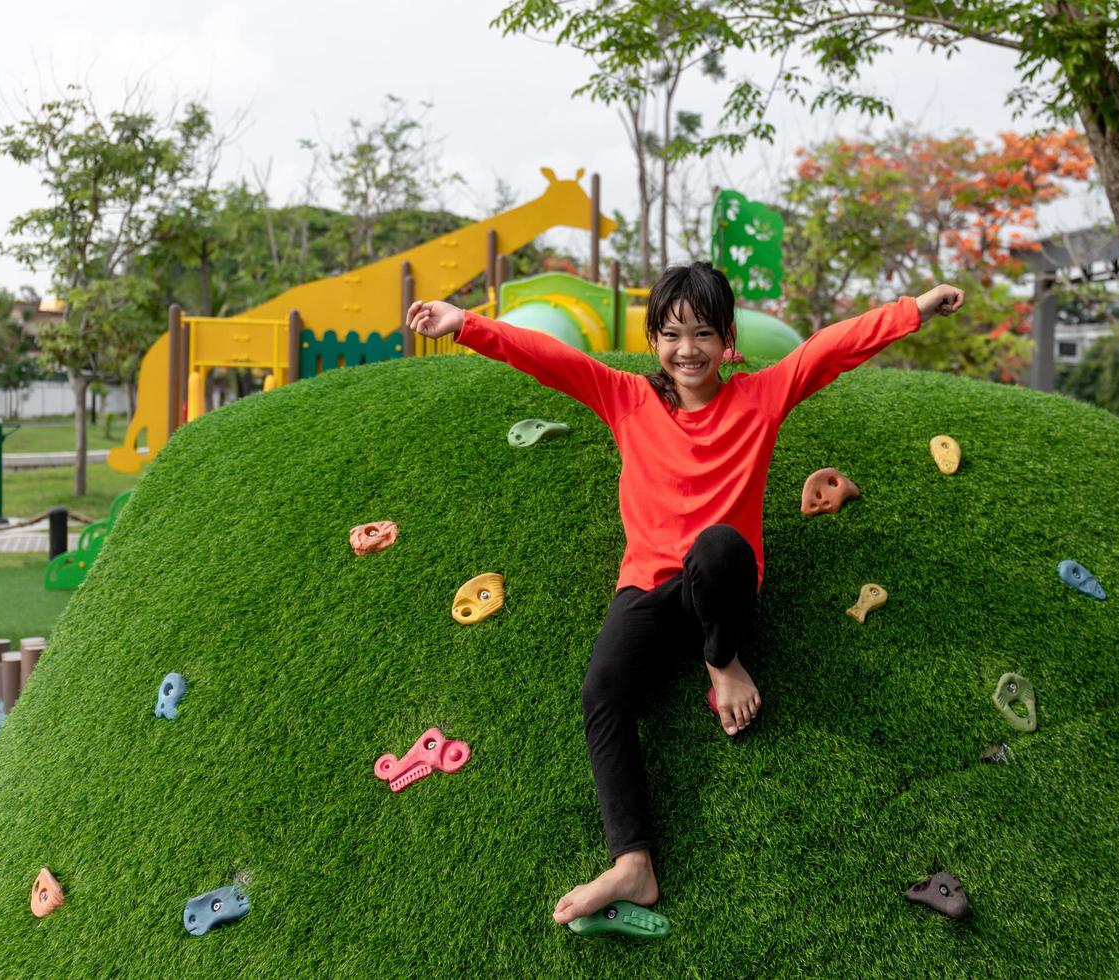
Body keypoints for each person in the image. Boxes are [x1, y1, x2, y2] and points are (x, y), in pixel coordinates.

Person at [406, 262, 964, 928]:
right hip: (647, 585)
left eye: (703, 333)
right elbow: (549, 357)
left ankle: (723, 664)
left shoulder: (761, 396)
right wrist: (464, 324)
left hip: (721, 585)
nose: (687, 350)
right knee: (602, 693)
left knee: (720, 545)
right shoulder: (625, 399)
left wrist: (917, 309)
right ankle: (632, 865)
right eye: (672, 334)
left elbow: (831, 347)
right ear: (654, 342)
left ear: (729, 340)